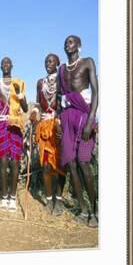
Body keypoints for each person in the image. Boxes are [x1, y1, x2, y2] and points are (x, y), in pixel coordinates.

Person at [57, 35, 99, 227]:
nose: (68, 44)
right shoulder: (62, 69)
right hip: (66, 116)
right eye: (66, 42)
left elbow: (96, 93)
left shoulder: (88, 62)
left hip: (83, 115)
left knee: (83, 163)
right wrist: (59, 121)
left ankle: (96, 209)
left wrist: (91, 121)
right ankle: (83, 210)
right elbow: (59, 97)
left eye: (71, 41)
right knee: (71, 164)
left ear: (79, 46)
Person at [0, 57, 28, 211]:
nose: (6, 65)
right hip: (1, 125)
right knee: (4, 161)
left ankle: (13, 197)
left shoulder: (18, 83)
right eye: (3, 63)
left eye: (8, 63)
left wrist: (19, 95)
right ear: (0, 66)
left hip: (15, 125)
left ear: (12, 66)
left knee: (15, 162)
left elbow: (25, 108)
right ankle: (4, 196)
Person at [30, 53, 66, 216]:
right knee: (45, 165)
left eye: (51, 61)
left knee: (59, 165)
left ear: (58, 63)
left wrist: (59, 121)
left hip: (58, 125)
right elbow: (38, 103)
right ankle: (49, 198)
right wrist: (34, 114)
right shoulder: (40, 83)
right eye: (46, 61)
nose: (48, 63)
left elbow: (65, 102)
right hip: (44, 126)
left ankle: (58, 198)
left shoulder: (63, 80)